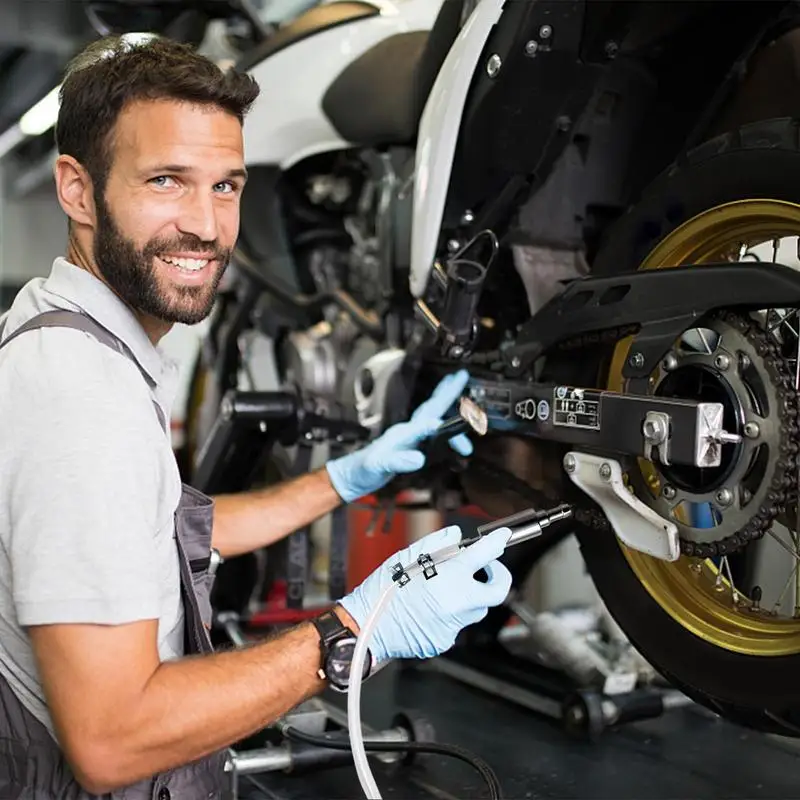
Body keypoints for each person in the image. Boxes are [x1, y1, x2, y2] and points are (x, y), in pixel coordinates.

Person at [0, 34, 513, 798]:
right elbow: (111, 738)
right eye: (168, 181)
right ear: (77, 189)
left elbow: (152, 527)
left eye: (226, 186)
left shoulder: (65, 336)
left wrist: (343, 478)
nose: (207, 226)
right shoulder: (78, 393)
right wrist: (353, 633)